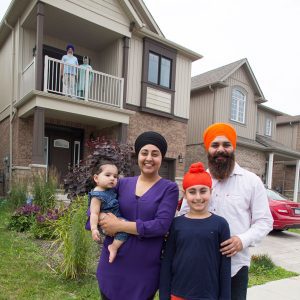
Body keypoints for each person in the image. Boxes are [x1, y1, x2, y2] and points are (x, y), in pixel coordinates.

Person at [179, 123, 273, 300]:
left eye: (226, 145)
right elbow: (184, 215)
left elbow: (265, 221)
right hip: (200, 266)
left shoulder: (251, 181)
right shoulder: (198, 181)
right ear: (208, 149)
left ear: (233, 148)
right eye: (215, 145)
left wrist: (242, 240)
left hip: (235, 267)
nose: (220, 149)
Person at [97, 131, 179, 300]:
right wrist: (101, 220)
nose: (149, 158)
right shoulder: (121, 183)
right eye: (144, 153)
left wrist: (119, 226)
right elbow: (96, 208)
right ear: (138, 156)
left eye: (155, 154)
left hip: (143, 272)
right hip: (113, 266)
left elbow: (161, 226)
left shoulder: (169, 189)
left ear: (161, 158)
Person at [160, 162, 231, 300]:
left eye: (203, 191)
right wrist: (164, 296)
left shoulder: (221, 224)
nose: (198, 197)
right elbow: (167, 261)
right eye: (192, 192)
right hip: (178, 294)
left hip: (209, 295)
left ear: (211, 192)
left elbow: (225, 267)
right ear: (185, 195)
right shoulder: (175, 224)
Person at [88, 161, 128, 263]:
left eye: (115, 176)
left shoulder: (109, 190)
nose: (112, 178)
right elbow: (94, 213)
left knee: (126, 225)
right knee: (125, 229)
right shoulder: (97, 196)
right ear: (96, 178)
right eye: (108, 175)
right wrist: (94, 229)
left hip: (115, 219)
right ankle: (113, 247)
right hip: (106, 224)